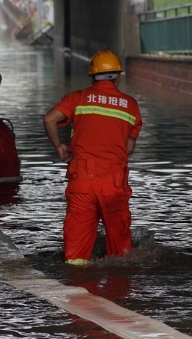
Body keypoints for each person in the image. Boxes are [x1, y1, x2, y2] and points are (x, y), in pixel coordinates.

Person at [43, 49, 142, 266]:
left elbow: (50, 119)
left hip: (82, 179)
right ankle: (118, 292)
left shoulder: (77, 99)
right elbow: (129, 148)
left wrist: (59, 146)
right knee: (121, 252)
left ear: (92, 75)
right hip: (113, 181)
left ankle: (78, 289)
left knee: (76, 253)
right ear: (117, 76)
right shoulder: (131, 105)